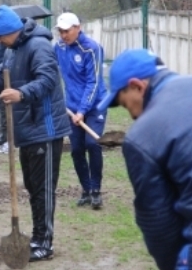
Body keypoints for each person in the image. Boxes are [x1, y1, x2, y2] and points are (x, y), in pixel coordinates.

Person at [0, 5, 71, 262]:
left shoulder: (38, 46)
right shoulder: (12, 50)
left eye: (0, 35)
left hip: (45, 129)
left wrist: (22, 93)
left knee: (43, 189)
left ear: (12, 30)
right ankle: (38, 237)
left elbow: (47, 80)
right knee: (32, 187)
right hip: (27, 130)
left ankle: (45, 243)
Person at [97, 48, 192, 270]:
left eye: (125, 104)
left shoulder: (143, 135)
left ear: (137, 86)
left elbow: (159, 225)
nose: (132, 115)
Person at [53, 12, 107, 209]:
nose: (63, 35)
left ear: (78, 28)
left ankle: (96, 190)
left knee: (92, 144)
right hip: (71, 106)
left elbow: (93, 82)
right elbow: (50, 68)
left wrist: (83, 110)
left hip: (94, 105)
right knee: (76, 149)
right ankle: (85, 189)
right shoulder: (58, 47)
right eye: (60, 31)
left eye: (66, 31)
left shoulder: (91, 49)